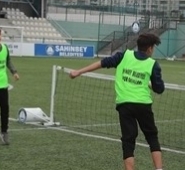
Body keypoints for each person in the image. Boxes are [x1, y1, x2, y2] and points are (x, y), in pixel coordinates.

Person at [69, 33, 165, 170]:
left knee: (128, 141)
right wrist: (150, 84)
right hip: (143, 105)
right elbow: (159, 89)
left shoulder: (124, 56)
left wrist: (79, 72)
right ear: (150, 48)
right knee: (152, 137)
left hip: (125, 105)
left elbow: (102, 63)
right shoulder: (153, 64)